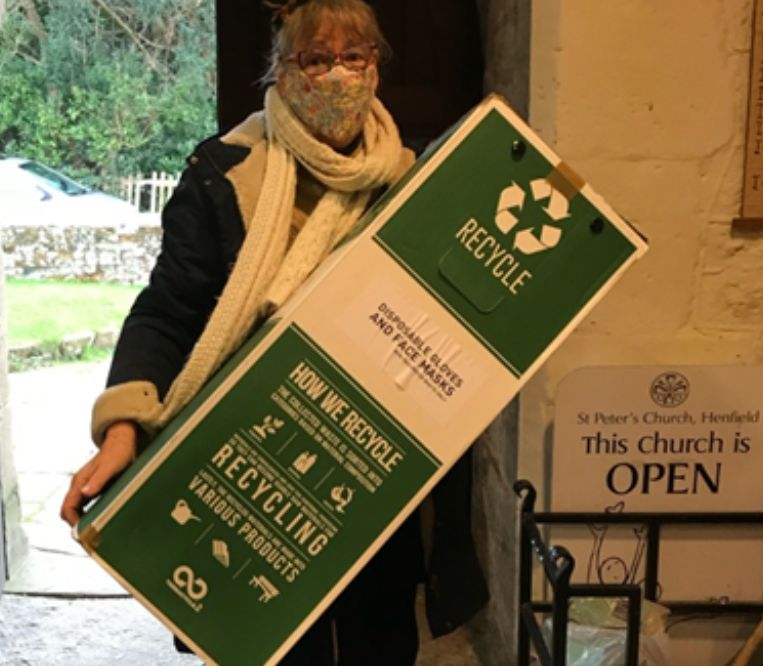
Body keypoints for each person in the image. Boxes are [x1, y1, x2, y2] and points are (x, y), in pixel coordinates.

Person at [61, 1, 488, 662]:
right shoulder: (225, 173)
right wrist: (123, 428)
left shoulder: (417, 187)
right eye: (316, 58)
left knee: (380, 645)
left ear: (377, 66)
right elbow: (168, 310)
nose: (338, 75)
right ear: (282, 71)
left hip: (376, 480)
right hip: (250, 478)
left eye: (355, 56)